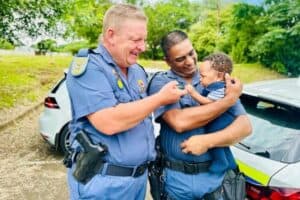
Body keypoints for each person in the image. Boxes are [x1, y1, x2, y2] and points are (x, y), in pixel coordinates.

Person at [65, 4, 186, 200]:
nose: (143, 47)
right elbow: (108, 121)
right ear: (111, 35)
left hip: (137, 182)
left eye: (144, 40)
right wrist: (160, 98)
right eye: (136, 40)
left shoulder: (137, 70)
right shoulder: (89, 67)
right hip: (103, 184)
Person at [148, 30, 252, 200]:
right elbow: (179, 122)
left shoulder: (215, 77)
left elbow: (245, 126)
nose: (189, 62)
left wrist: (207, 141)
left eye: (191, 53)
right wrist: (227, 100)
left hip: (215, 179)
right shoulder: (162, 82)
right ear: (167, 61)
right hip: (176, 179)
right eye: (180, 58)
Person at [186, 52, 240, 173]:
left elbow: (210, 103)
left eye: (203, 76)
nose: (200, 80)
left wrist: (193, 93)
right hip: (225, 119)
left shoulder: (220, 88)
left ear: (219, 76)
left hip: (222, 120)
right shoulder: (222, 86)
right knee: (223, 145)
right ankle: (230, 162)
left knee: (213, 138)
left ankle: (220, 162)